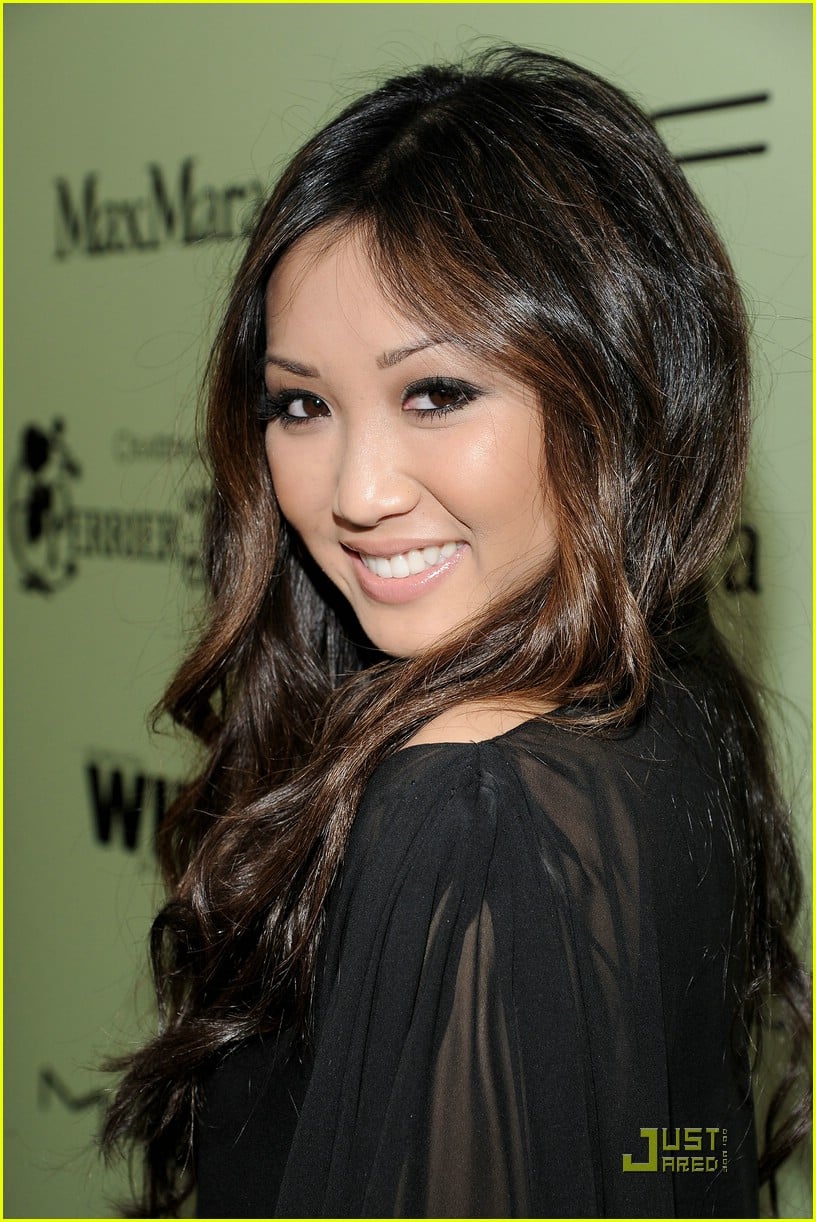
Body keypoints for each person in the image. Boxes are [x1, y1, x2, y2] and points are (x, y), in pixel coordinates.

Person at [102, 47, 810, 1218]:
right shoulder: (666, 693)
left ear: (618, 392)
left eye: (436, 394)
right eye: (301, 404)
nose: (357, 490)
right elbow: (666, 1157)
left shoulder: (472, 804)